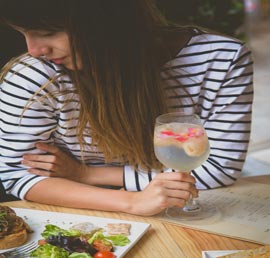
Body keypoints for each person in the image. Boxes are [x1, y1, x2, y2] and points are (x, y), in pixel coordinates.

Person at [0, 0, 253, 215]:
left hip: (183, 204)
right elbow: (18, 175)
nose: (34, 50)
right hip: (78, 211)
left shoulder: (222, 59)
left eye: (47, 33)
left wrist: (86, 174)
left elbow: (219, 168)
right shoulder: (35, 76)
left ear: (106, 19)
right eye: (23, 33)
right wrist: (131, 202)